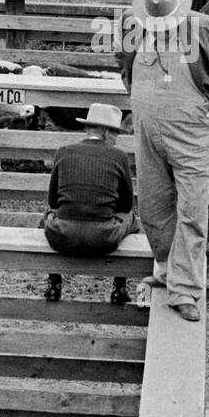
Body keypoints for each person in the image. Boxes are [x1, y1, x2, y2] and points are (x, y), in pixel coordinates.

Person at [118, 0, 209, 321]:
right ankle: (166, 270)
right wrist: (137, 97)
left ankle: (185, 291)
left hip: (193, 131)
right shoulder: (134, 25)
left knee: (191, 213)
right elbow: (123, 62)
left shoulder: (204, 27)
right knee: (151, 208)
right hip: (147, 131)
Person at [42, 102, 134, 308]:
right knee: (132, 218)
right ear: (106, 132)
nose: (116, 137)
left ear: (88, 128)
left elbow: (52, 201)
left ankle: (54, 282)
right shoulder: (119, 156)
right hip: (103, 238)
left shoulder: (64, 151)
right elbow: (126, 204)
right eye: (115, 132)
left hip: (62, 235)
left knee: (48, 213)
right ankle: (120, 285)